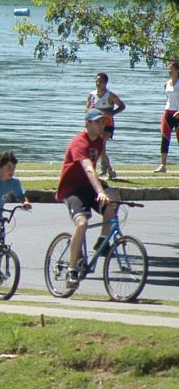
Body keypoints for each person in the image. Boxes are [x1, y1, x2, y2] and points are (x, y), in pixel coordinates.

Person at [56, 108, 116, 287]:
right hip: (72, 190)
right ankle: (72, 270)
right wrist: (100, 192)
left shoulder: (99, 141)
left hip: (88, 187)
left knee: (114, 199)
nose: (101, 125)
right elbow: (89, 169)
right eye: (98, 122)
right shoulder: (79, 142)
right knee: (82, 224)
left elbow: (100, 161)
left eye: (103, 122)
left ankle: (102, 242)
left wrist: (107, 176)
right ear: (88, 123)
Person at [85, 72, 125, 179]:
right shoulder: (91, 95)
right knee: (96, 147)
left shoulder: (110, 95)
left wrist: (113, 113)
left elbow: (122, 106)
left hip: (107, 124)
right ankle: (104, 168)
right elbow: (86, 109)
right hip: (95, 126)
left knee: (101, 146)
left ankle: (110, 170)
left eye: (101, 81)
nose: (98, 83)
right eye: (97, 81)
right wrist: (90, 109)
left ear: (105, 83)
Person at [157, 60, 179, 172]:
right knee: (165, 138)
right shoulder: (166, 84)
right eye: (169, 69)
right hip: (168, 112)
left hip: (178, 113)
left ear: (177, 70)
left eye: (172, 69)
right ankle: (163, 165)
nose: (170, 71)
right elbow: (168, 99)